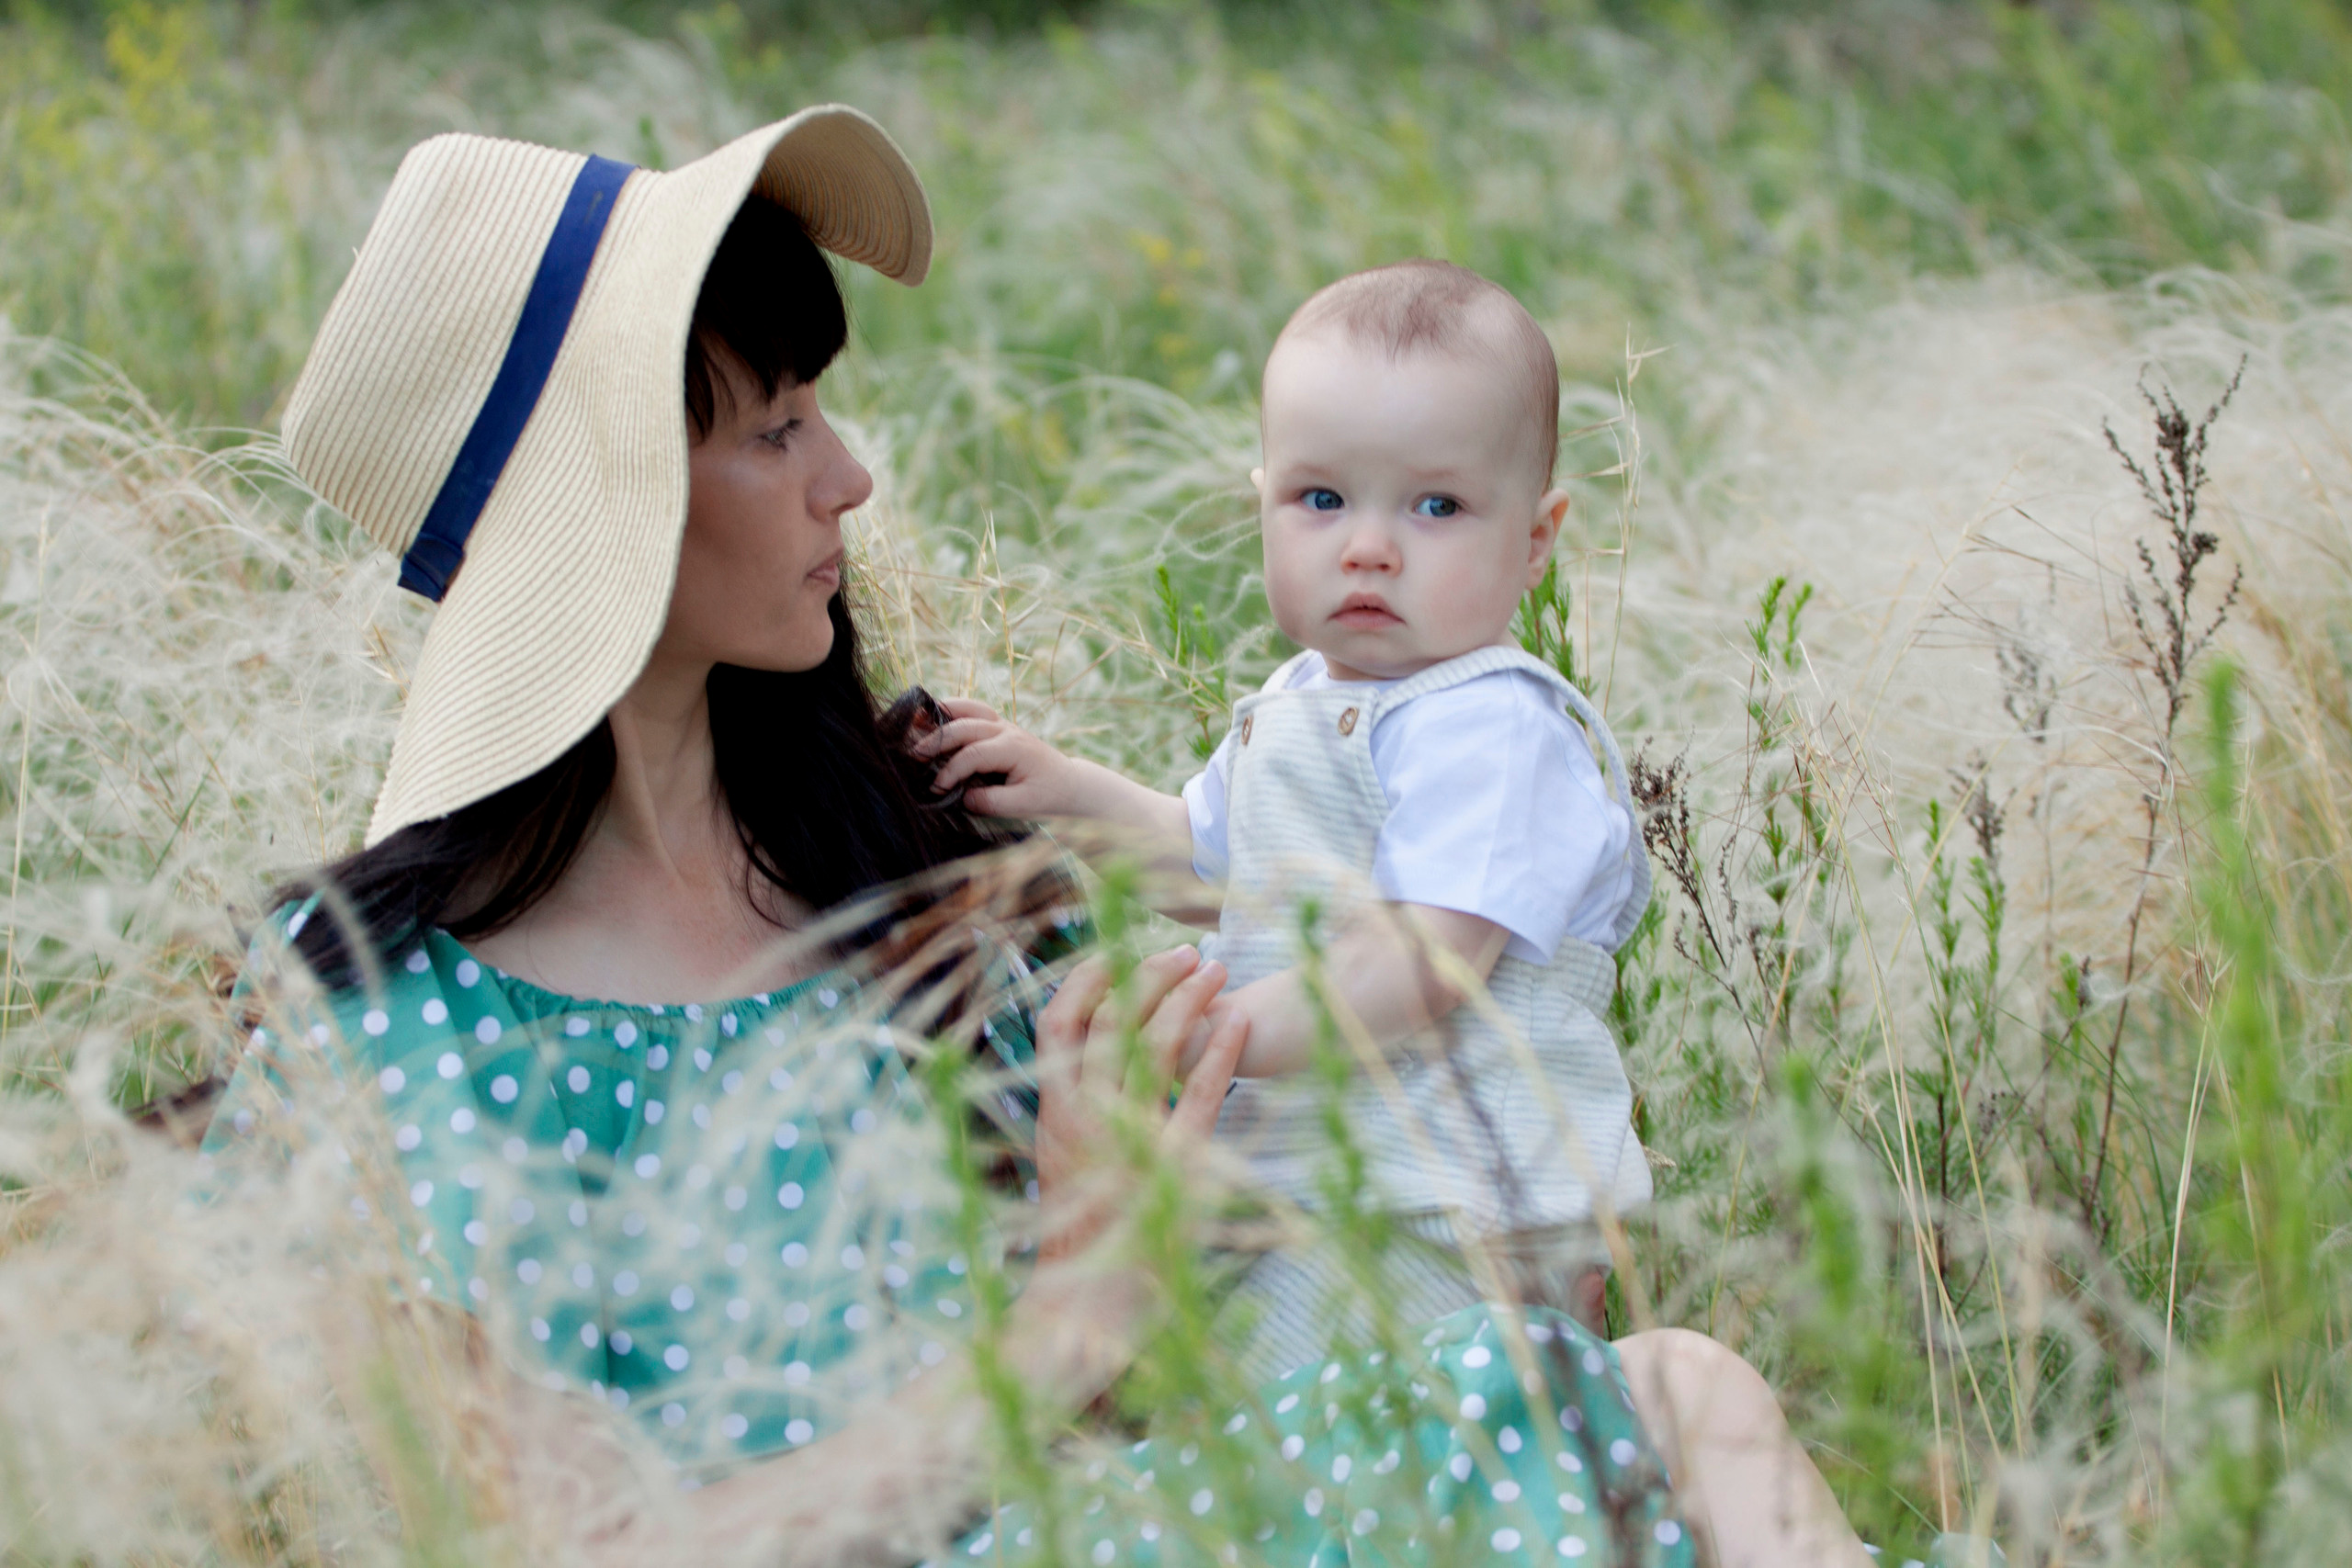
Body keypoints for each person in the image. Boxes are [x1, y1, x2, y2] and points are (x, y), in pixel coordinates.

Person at [201, 110, 1875, 1568]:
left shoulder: (910, 866)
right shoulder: (388, 1041)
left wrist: (1286, 1227)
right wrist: (1074, 1316)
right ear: (614, 506)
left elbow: (1220, 1333)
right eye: (776, 424)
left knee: (1668, 1391)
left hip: (1138, 1512)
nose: (848, 476)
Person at [924, 261, 1651, 1382]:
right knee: (1313, 1448)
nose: (1368, 546)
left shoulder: (1493, 728)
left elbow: (1425, 965)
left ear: (1537, 538)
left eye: (1436, 506)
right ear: (1262, 500)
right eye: (1322, 500)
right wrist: (1066, 793)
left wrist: (1208, 1036)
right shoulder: (1300, 707)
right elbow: (1210, 869)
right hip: (1313, 1186)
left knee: (1436, 1447)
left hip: (1451, 1204)